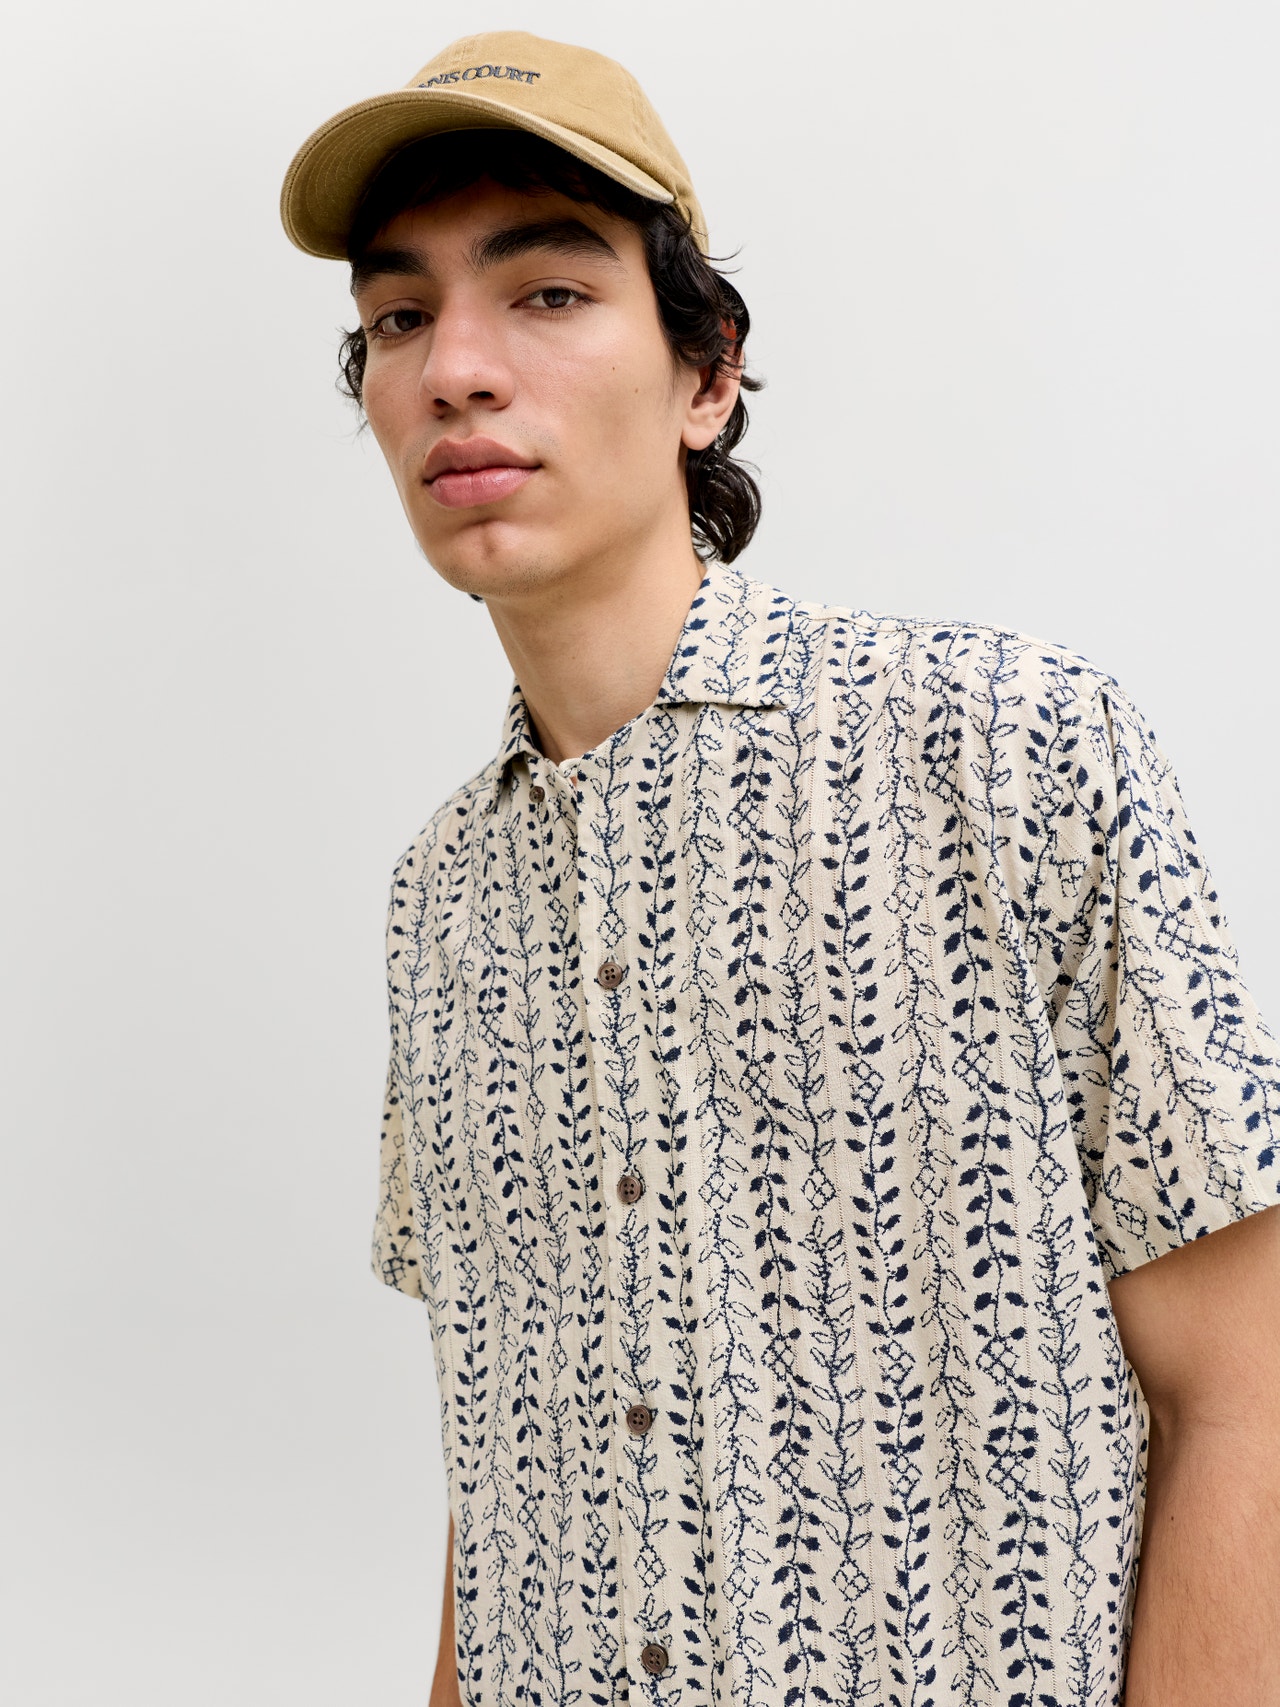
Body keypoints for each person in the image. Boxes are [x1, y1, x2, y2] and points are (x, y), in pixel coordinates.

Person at [279, 30, 1280, 1707]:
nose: (455, 369)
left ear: (707, 376)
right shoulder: (439, 895)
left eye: (547, 293)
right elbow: (506, 1474)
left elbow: (1246, 1396)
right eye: (397, 317)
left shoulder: (1012, 746)